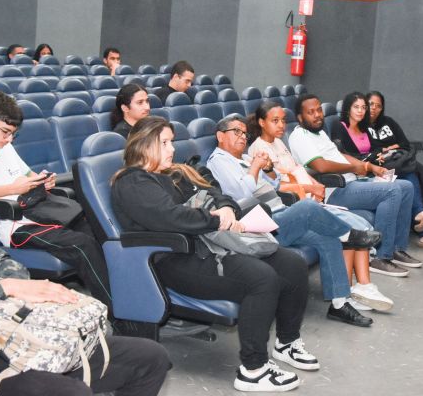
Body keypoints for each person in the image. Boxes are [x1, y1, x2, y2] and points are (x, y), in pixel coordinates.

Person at [111, 117, 318, 392]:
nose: (171, 149)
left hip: (206, 247)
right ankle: (253, 369)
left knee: (291, 263)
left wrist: (226, 208)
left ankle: (287, 342)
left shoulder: (173, 174)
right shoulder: (132, 182)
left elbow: (213, 191)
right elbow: (172, 217)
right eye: (164, 143)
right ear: (143, 145)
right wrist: (216, 219)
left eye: (171, 141)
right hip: (171, 259)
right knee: (262, 278)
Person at [208, 114, 391, 322]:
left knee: (327, 238)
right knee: (308, 207)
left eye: (244, 133)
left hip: (279, 213)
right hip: (257, 225)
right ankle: (349, 235)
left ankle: (339, 304)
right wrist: (256, 167)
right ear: (220, 136)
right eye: (236, 132)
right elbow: (241, 194)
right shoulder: (218, 161)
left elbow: (275, 186)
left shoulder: (245, 159)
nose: (242, 136)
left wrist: (267, 169)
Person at [0, 228, 171, 396]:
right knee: (69, 392)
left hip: (13, 329)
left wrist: (5, 287)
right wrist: (1, 288)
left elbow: (7, 264)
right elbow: (6, 285)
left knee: (150, 357)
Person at [0, 91, 112, 316]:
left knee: (96, 231)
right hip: (14, 226)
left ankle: (125, 305)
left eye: (13, 134)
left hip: (38, 212)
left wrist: (42, 181)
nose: (9, 139)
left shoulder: (6, 148)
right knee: (81, 245)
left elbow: (28, 175)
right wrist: (13, 189)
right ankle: (115, 314)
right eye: (5, 132)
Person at [289, 94, 422, 277]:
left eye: (319, 109)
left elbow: (339, 154)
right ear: (300, 117)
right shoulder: (299, 136)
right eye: (310, 112)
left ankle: (396, 249)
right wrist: (354, 167)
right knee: (391, 191)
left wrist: (368, 166)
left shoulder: (318, 132)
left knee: (406, 186)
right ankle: (379, 257)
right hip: (335, 189)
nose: (318, 115)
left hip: (352, 181)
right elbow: (320, 165)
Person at [332, 91, 423, 250]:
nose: (361, 110)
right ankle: (421, 231)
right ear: (347, 109)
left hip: (374, 167)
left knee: (409, 177)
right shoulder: (339, 126)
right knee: (406, 176)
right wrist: (370, 159)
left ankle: (418, 224)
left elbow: (376, 148)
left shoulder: (364, 128)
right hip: (359, 172)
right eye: (356, 107)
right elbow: (342, 154)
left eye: (363, 107)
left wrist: (378, 155)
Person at [367, 90, 423, 239]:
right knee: (410, 176)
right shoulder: (363, 126)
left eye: (378, 106)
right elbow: (370, 149)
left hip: (401, 159)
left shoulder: (388, 122)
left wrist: (391, 148)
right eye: (371, 104)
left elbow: (404, 143)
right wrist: (385, 149)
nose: (374, 108)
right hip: (382, 164)